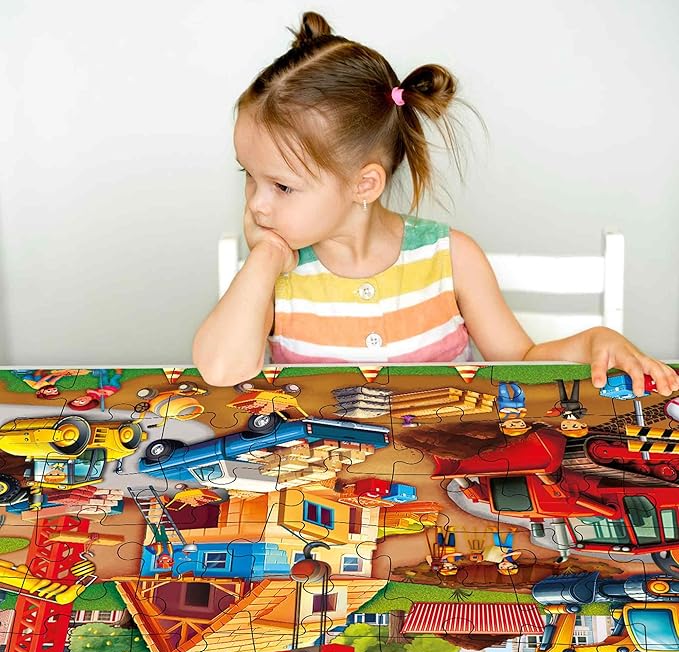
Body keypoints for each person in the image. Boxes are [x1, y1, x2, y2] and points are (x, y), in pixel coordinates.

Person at [193, 11, 679, 399]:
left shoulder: (451, 258)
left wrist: (594, 340)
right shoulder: (273, 274)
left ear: (364, 185)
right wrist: (265, 257)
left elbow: (522, 362)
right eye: (248, 175)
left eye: (281, 187)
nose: (257, 204)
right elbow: (220, 370)